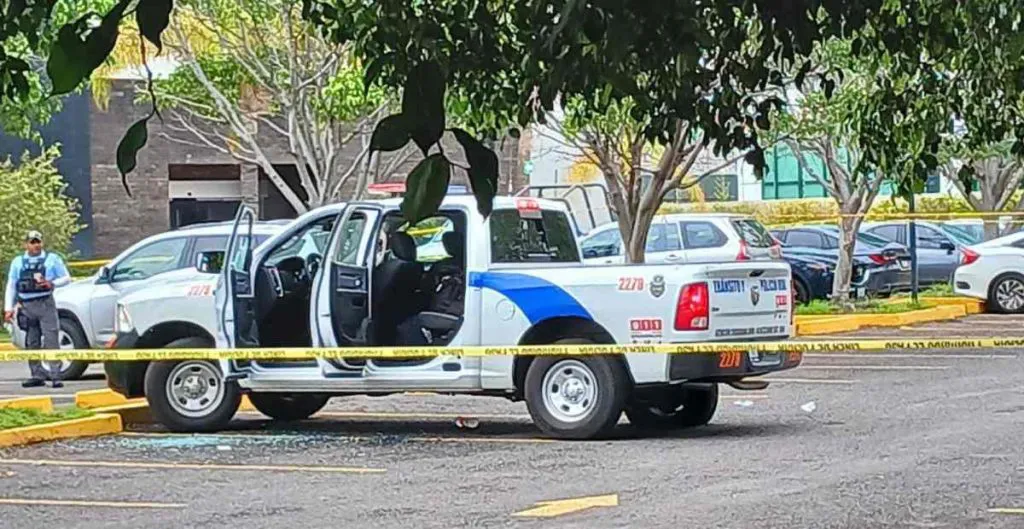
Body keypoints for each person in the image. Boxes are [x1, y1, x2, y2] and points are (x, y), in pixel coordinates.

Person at [3, 230, 72, 388]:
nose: (36, 245)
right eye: (32, 242)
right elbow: (11, 285)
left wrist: (51, 283)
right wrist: (8, 308)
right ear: (26, 244)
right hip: (26, 306)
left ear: (42, 243)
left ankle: (55, 376)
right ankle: (37, 375)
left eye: (38, 242)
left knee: (51, 340)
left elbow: (67, 278)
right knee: (31, 342)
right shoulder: (18, 262)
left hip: (45, 303)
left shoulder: (52, 260)